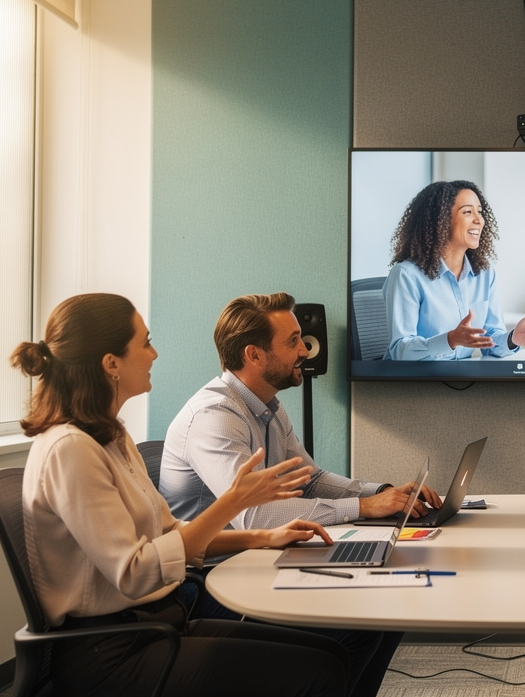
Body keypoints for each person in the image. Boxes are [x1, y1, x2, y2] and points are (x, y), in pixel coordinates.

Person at [13, 293, 350, 697]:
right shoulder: (69, 449)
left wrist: (263, 537)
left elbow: (171, 533)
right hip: (113, 653)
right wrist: (233, 502)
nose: (154, 353)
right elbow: (136, 572)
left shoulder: (111, 436)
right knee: (320, 671)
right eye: (145, 342)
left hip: (160, 623)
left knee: (332, 655)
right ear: (111, 364)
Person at [159, 292, 438, 697]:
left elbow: (310, 478)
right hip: (210, 584)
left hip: (262, 559)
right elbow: (256, 516)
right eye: (292, 341)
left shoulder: (268, 406)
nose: (305, 349)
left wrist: (383, 493)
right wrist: (362, 507)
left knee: (387, 605)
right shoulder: (214, 418)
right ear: (254, 355)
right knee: (358, 623)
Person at [383, 180, 525, 360]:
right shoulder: (407, 275)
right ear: (440, 220)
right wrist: (449, 340)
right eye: (467, 212)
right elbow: (400, 351)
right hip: (414, 383)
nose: (479, 220)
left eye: (479, 212)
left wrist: (513, 339)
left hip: (460, 380)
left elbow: (490, 339)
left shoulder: (485, 274)